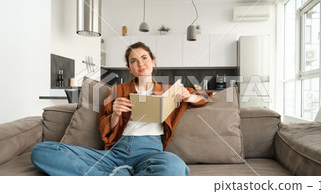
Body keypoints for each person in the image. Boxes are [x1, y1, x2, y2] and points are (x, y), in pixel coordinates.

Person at [31, 42, 213, 176]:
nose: (141, 64)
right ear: (130, 69)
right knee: (42, 152)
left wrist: (189, 96)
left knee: (175, 167)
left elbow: (205, 97)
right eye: (134, 61)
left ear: (153, 62)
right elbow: (105, 129)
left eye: (144, 58)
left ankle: (116, 176)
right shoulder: (117, 90)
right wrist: (115, 114)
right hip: (115, 152)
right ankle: (120, 175)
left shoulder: (169, 90)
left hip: (151, 152)